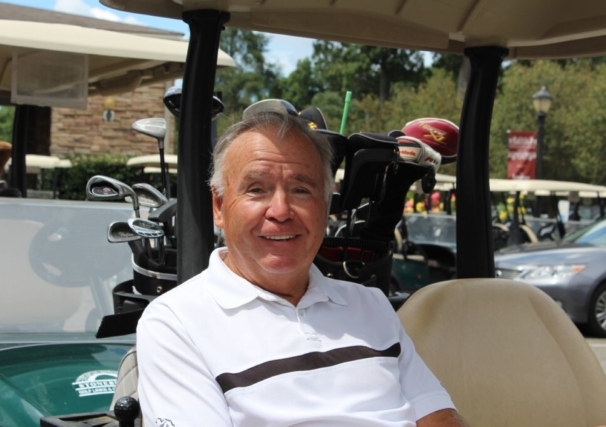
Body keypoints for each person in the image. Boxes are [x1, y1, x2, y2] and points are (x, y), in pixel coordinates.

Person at [137, 110, 468, 426]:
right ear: (219, 206)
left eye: (301, 190)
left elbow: (436, 413)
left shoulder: (371, 304)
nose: (281, 211)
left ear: (325, 207)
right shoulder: (176, 323)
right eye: (257, 189)